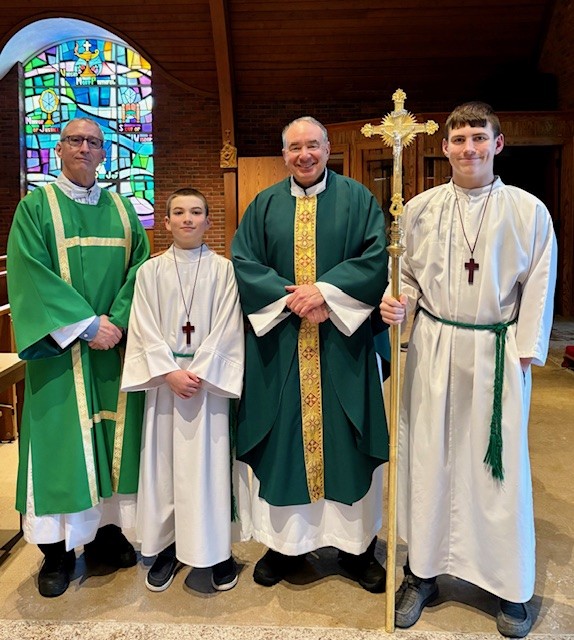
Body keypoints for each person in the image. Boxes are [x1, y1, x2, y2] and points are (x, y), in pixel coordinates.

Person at [380, 102, 557, 637]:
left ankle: (508, 585)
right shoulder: (419, 209)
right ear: (444, 148)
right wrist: (399, 303)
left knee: (496, 469)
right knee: (428, 458)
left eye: (479, 137)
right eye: (459, 139)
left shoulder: (527, 211)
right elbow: (406, 275)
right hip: (434, 347)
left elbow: (540, 282)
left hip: (495, 351)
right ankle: (422, 573)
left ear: (497, 144)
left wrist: (525, 351)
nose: (469, 148)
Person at [231, 116, 389, 592]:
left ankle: (356, 549)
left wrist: (325, 293)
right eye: (295, 147)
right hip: (282, 343)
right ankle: (285, 547)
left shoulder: (358, 199)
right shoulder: (263, 205)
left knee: (347, 445)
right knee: (284, 445)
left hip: (343, 343)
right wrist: (294, 300)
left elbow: (375, 258)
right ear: (284, 155)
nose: (305, 155)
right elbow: (244, 262)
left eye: (313, 145)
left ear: (327, 148)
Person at [7, 117, 150, 597]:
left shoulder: (123, 209)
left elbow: (140, 269)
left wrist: (117, 321)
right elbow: (30, 274)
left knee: (111, 437)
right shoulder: (36, 207)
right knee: (60, 445)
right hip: (59, 352)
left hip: (112, 349)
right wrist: (87, 326)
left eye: (93, 141)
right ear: (60, 148)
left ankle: (107, 533)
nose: (84, 148)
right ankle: (56, 552)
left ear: (104, 153)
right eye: (75, 140)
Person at [121, 188, 245, 593]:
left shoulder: (224, 271)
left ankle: (217, 551)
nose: (187, 219)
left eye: (195, 212)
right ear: (166, 222)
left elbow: (229, 324)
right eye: (178, 212)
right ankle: (168, 547)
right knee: (164, 469)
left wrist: (202, 371)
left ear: (209, 221)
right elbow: (142, 326)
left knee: (210, 469)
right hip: (166, 386)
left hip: (208, 388)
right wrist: (169, 372)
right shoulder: (150, 272)